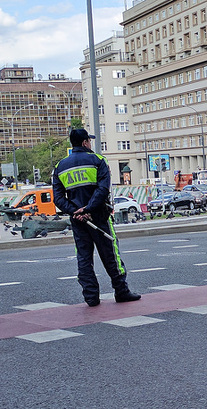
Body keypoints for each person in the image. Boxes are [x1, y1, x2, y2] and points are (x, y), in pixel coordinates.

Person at [52, 129, 141, 307]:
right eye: (89, 141)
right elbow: (103, 189)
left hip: (78, 221)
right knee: (111, 255)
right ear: (85, 142)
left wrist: (76, 211)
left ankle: (91, 297)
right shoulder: (98, 161)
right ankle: (121, 291)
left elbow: (58, 198)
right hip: (99, 216)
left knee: (84, 258)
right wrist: (90, 208)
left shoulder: (60, 167)